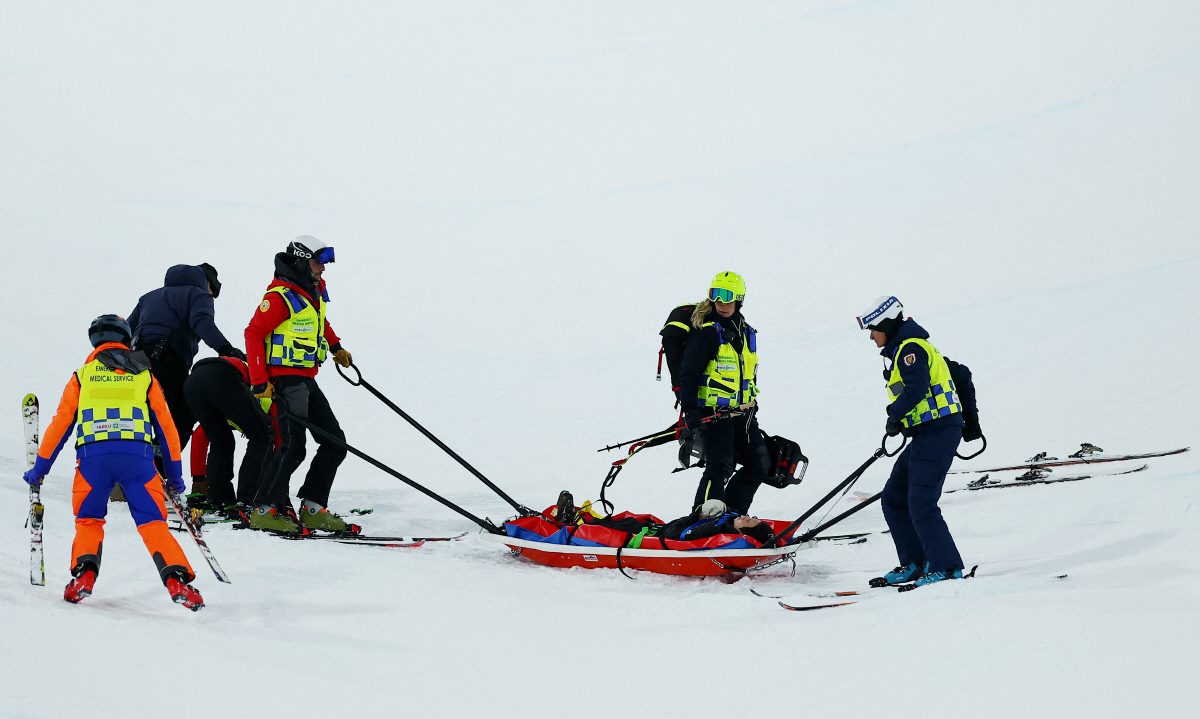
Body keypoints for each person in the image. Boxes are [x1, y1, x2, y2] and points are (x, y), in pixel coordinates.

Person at [21, 315, 204, 610]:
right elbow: (167, 428)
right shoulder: (144, 375)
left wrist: (39, 470)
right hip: (138, 461)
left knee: (89, 520)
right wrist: (175, 476)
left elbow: (60, 426)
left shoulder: (82, 376)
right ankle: (178, 582)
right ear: (126, 339)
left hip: (93, 461)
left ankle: (83, 577)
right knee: (154, 523)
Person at [856, 295, 971, 587]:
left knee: (921, 502)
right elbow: (958, 374)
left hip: (938, 432)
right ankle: (916, 562)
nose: (871, 335)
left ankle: (946, 567)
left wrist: (894, 415)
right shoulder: (904, 349)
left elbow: (917, 388)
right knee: (893, 499)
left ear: (886, 323)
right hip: (925, 434)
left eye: (872, 328)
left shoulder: (911, 349)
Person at [244, 236, 353, 533]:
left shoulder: (311, 291)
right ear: (302, 261)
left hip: (306, 378)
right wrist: (259, 382)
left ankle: (314, 509)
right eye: (319, 263)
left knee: (335, 443)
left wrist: (336, 347)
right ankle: (263, 510)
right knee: (292, 447)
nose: (323, 270)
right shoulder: (280, 297)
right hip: (284, 379)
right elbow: (253, 334)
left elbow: (320, 323)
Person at [128, 263, 246, 499]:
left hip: (135, 360)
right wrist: (226, 349)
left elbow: (127, 329)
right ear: (207, 284)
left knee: (143, 416)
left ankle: (128, 475)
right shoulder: (198, 294)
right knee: (182, 416)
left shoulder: (148, 297)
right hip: (168, 358)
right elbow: (202, 322)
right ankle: (156, 475)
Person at [676, 271, 769, 514]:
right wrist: (690, 411)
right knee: (720, 466)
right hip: (714, 414)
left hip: (743, 413)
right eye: (716, 298)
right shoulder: (705, 334)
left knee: (758, 464)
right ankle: (702, 519)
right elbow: (688, 375)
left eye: (728, 299)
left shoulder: (746, 332)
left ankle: (732, 516)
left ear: (739, 300)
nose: (722, 305)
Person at [183, 356, 274, 515]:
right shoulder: (262, 382)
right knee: (262, 435)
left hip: (192, 383)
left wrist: (198, 480)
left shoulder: (238, 380)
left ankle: (219, 499)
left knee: (221, 441)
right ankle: (247, 499)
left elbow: (200, 436)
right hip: (222, 378)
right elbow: (276, 442)